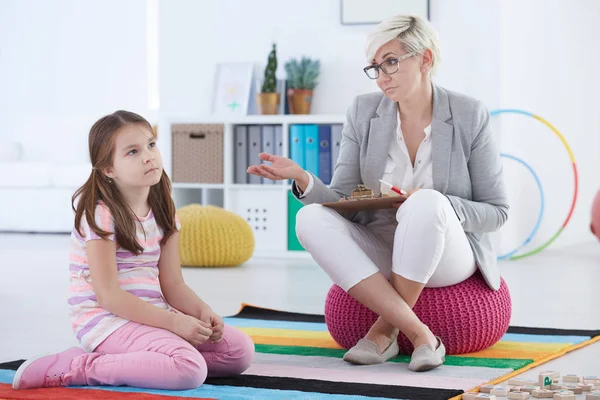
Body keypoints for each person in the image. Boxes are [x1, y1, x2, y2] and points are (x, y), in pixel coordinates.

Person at [247, 14, 508, 372]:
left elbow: (497, 211)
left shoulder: (468, 113)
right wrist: (302, 178)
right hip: (383, 246)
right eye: (375, 66)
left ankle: (383, 331)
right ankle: (423, 336)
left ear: (425, 59)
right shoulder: (364, 111)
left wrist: (441, 204)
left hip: (448, 252)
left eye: (391, 62)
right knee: (309, 217)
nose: (382, 76)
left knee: (426, 204)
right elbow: (343, 199)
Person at [13, 111, 254, 390]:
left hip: (150, 314)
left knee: (238, 352)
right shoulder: (101, 215)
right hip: (106, 321)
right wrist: (174, 324)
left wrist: (201, 311)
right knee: (189, 369)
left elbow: (173, 283)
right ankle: (79, 366)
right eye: (132, 152)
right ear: (108, 169)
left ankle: (147, 359)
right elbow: (109, 296)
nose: (148, 156)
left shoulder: (164, 210)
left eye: (151, 145)